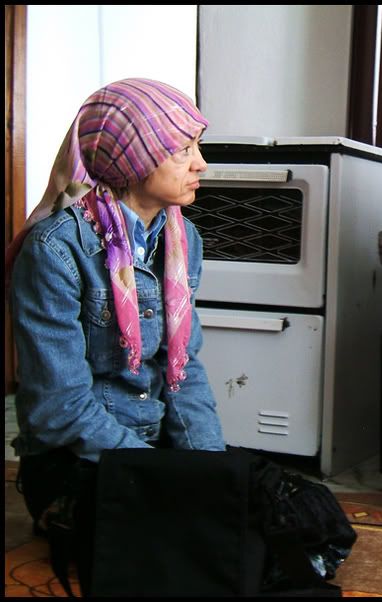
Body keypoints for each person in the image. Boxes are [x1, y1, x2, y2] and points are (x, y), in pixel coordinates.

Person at [6, 79, 226, 577]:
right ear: (133, 160)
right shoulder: (56, 249)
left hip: (152, 448)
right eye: (182, 150)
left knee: (254, 517)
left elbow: (184, 370)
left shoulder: (183, 238)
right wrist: (163, 476)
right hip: (77, 460)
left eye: (198, 146)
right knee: (176, 558)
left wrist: (208, 469)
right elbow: (58, 409)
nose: (201, 164)